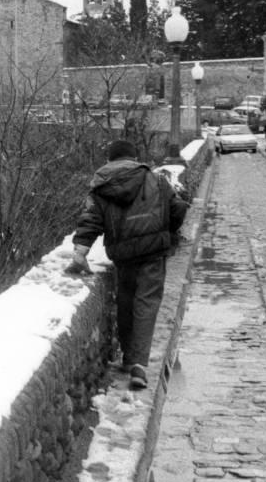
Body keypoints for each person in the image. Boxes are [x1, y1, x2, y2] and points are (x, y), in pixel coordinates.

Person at [65, 140, 189, 390]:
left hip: (122, 253)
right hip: (153, 251)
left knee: (126, 301)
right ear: (134, 158)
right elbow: (177, 208)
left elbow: (90, 220)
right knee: (146, 304)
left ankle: (128, 356)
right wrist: (167, 232)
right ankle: (139, 365)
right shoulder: (157, 180)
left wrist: (80, 252)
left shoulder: (101, 187)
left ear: (110, 160)